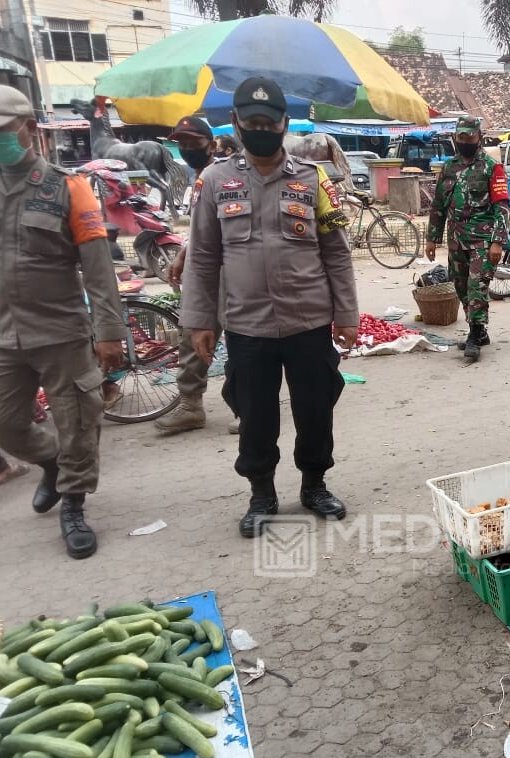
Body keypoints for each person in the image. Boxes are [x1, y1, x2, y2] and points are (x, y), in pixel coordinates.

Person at [181, 77, 359, 538]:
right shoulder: (214, 180)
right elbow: (203, 256)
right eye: (252, 122)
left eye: (269, 122)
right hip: (247, 325)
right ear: (237, 122)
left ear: (283, 124)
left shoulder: (313, 178)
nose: (261, 129)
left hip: (309, 320)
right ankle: (261, 493)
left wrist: (347, 314)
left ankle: (314, 484)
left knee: (315, 409)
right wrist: (200, 320)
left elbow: (337, 252)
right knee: (254, 415)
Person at [0, 84, 126, 559]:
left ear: (29, 129)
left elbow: (98, 267)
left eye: (1, 130)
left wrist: (109, 332)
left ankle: (73, 504)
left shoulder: (68, 187)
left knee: (78, 423)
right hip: (1, 333)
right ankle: (51, 462)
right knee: (3, 424)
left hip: (61, 330)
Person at [156, 115, 235, 435]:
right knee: (192, 333)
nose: (188, 148)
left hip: (232, 268)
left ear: (211, 145)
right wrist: (182, 255)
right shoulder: (198, 180)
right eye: (183, 144)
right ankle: (190, 405)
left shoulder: (228, 176)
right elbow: (200, 230)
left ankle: (245, 406)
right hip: (202, 268)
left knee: (240, 337)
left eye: (194, 142)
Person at [425, 116, 510, 362]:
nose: (465, 141)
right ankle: (480, 331)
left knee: (476, 287)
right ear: (455, 138)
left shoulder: (491, 167)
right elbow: (438, 205)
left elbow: (502, 206)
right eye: (461, 137)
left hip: (482, 241)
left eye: (469, 137)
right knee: (461, 286)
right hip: (456, 240)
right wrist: (432, 238)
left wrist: (498, 241)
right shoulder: (448, 168)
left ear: (479, 138)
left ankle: (474, 333)